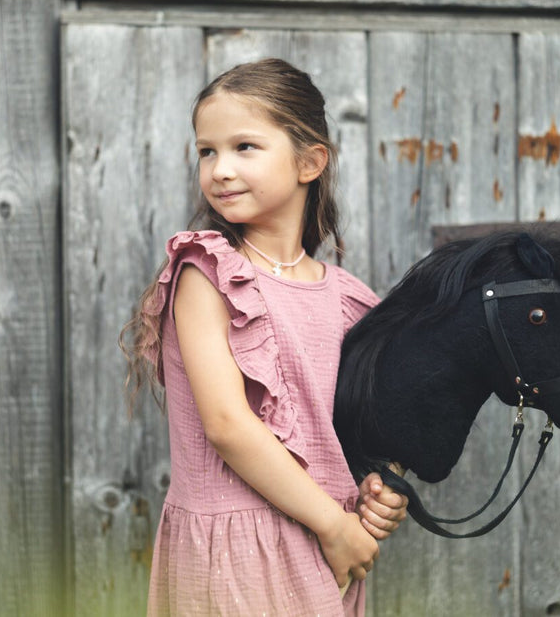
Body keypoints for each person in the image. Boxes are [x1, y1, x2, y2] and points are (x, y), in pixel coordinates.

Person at [123, 57, 407, 616]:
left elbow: (377, 425)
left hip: (325, 557)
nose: (220, 169)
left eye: (244, 147)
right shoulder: (208, 274)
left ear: (310, 162)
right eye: (208, 151)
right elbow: (227, 425)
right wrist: (334, 526)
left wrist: (383, 489)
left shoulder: (348, 299)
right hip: (236, 556)